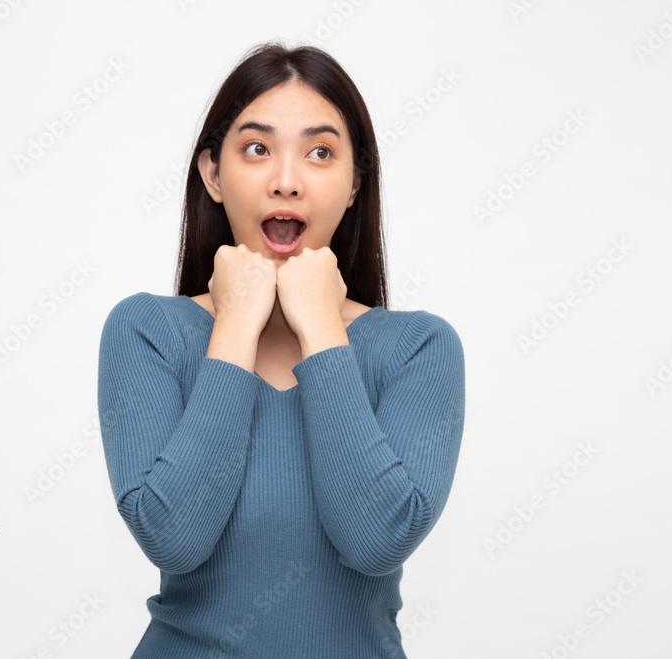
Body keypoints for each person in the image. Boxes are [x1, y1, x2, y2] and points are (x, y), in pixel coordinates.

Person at [97, 41, 466, 658]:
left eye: (320, 152)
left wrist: (321, 327)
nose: (287, 181)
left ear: (354, 184)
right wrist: (236, 324)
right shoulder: (146, 331)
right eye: (257, 149)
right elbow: (174, 538)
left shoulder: (419, 348)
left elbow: (376, 539)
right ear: (213, 174)